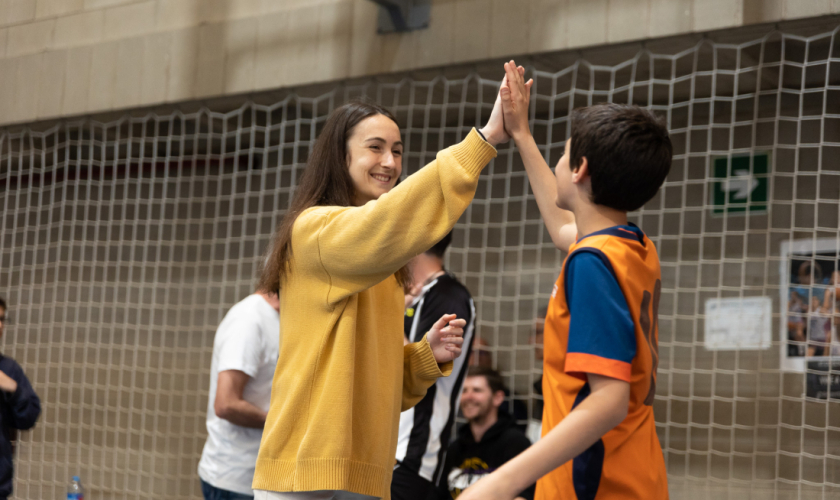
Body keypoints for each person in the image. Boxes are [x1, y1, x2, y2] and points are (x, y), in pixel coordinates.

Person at [253, 69, 533, 500]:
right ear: (339, 156)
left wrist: (423, 358)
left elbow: (379, 388)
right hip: (303, 470)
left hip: (365, 474)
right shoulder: (314, 230)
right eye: (375, 148)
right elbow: (389, 221)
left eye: (398, 151)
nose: (390, 163)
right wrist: (487, 137)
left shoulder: (384, 265)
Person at [457, 61, 672, 500]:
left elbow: (608, 401)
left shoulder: (592, 262)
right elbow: (563, 231)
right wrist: (521, 135)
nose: (557, 162)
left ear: (579, 169)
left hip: (596, 483)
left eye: (563, 153)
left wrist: (498, 484)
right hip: (635, 471)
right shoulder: (632, 246)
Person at [393, 233, 476, 500]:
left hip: (410, 452)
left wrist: (390, 318)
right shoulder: (404, 293)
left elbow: (423, 368)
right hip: (380, 446)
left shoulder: (447, 295)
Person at [198, 290, 281, 499]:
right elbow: (226, 404)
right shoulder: (249, 319)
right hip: (235, 481)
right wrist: (283, 424)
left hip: (263, 477)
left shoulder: (279, 318)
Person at [434, 367, 535, 500]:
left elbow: (524, 495)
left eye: (477, 390)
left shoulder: (515, 442)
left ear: (498, 398)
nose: (468, 397)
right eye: (464, 391)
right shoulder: (455, 448)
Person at [0, 297, 41, 500]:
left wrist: (13, 388)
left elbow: (29, 418)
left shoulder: (9, 369)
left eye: (1, 319)